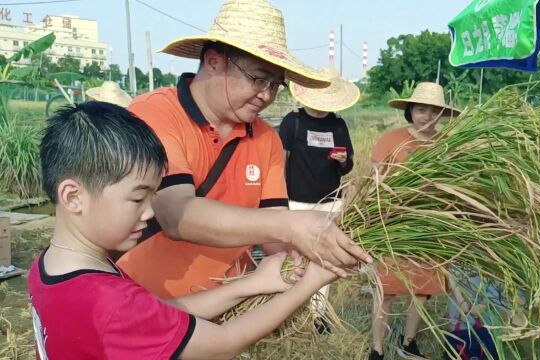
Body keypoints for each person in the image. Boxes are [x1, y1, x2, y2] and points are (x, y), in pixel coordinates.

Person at [29, 101, 339, 359]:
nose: (150, 212)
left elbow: (159, 313)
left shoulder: (50, 268)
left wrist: (253, 283)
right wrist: (313, 279)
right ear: (73, 197)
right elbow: (225, 343)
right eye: (137, 198)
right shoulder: (106, 301)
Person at [116, 0, 371, 299]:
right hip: (147, 302)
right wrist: (291, 226)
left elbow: (274, 231)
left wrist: (320, 252)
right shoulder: (155, 113)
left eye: (276, 85)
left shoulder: (265, 139)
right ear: (214, 61)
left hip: (228, 304)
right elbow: (176, 214)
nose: (266, 95)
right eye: (258, 79)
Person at [369, 82, 460, 359]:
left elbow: (454, 183)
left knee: (422, 290)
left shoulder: (447, 144)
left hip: (430, 225)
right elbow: (374, 181)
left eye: (434, 111)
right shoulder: (391, 139)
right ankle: (377, 348)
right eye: (421, 110)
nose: (427, 117)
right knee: (386, 289)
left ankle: (408, 342)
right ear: (410, 110)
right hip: (394, 223)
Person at [280, 65, 359, 333]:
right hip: (298, 202)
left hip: (330, 201)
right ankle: (291, 309)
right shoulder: (294, 122)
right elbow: (282, 161)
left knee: (325, 258)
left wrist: (343, 160)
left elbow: (348, 166)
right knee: (297, 257)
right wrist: (280, 198)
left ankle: (318, 314)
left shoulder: (337, 124)